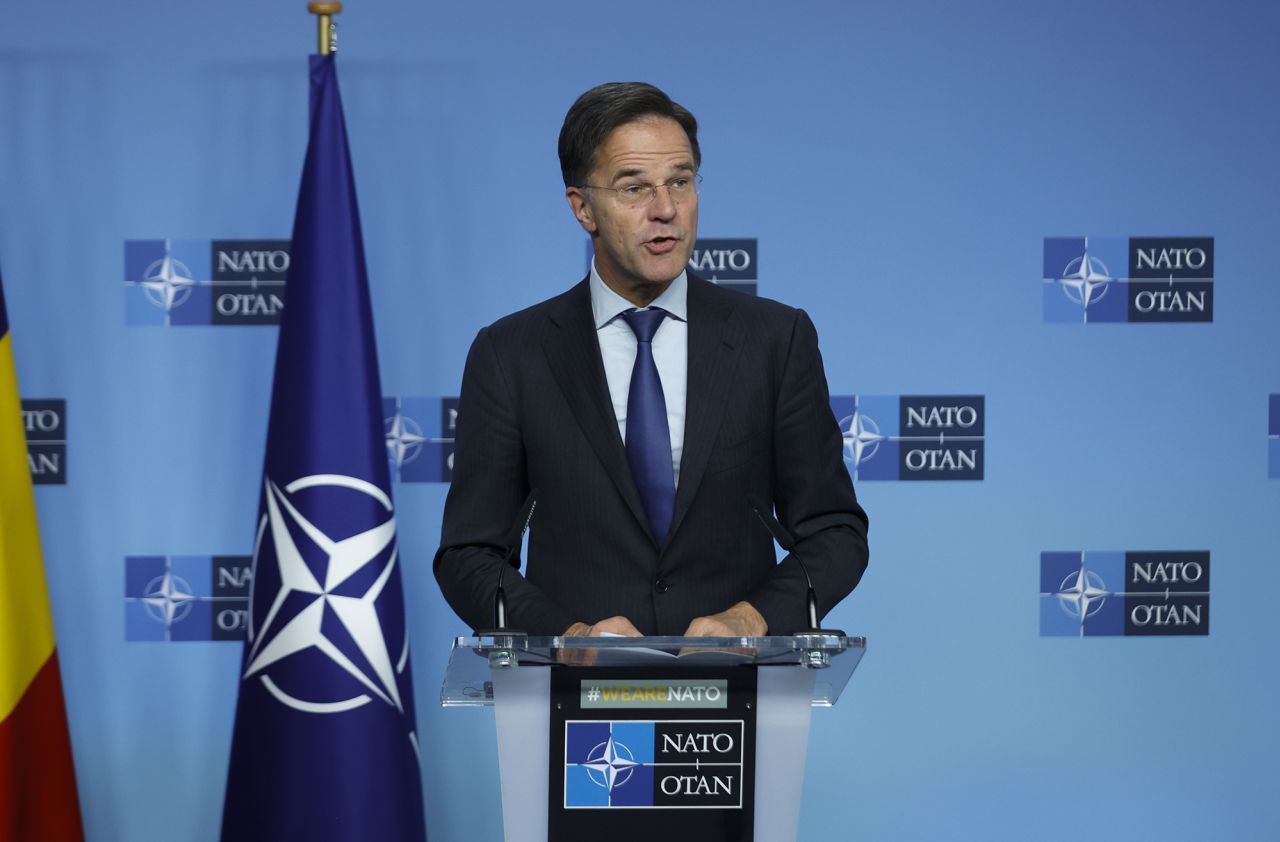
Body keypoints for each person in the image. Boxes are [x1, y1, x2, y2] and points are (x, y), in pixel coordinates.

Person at [433, 82, 868, 638]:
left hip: (737, 691)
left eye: (680, 182)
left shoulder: (775, 340)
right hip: (572, 697)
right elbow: (469, 554)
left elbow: (835, 532)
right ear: (582, 208)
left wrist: (751, 619)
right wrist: (568, 636)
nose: (665, 210)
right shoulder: (511, 354)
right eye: (634, 188)